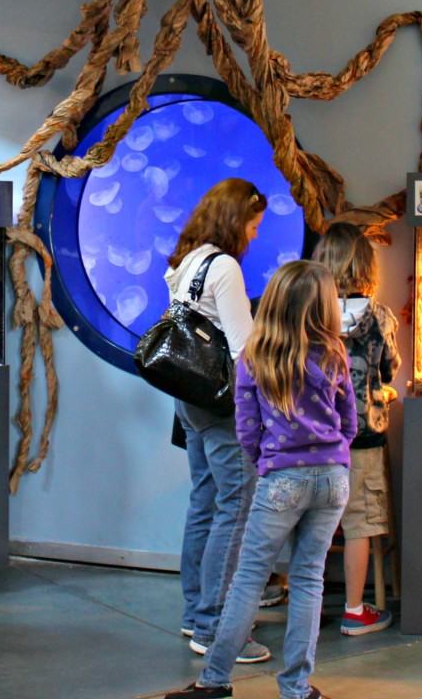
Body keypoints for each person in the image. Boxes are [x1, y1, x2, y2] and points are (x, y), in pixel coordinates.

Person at [166, 260, 357, 699]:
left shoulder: (254, 358)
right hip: (333, 479)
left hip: (281, 479)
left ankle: (214, 681)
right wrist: (335, 457)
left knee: (248, 579)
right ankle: (297, 688)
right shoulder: (333, 354)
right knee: (309, 580)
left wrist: (266, 463)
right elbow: (349, 422)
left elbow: (246, 429)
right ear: (324, 307)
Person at [166, 178, 270, 663]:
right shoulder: (224, 267)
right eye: (252, 224)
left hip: (187, 401)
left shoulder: (188, 261)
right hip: (222, 404)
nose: (253, 235)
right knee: (236, 507)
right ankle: (217, 627)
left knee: (205, 504)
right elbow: (242, 349)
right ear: (235, 219)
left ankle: (195, 615)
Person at [313, 222, 399, 636]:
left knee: (307, 520)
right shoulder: (379, 316)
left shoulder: (309, 313)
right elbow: (387, 370)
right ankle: (354, 608)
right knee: (360, 521)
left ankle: (304, 603)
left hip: (310, 439)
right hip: (362, 438)